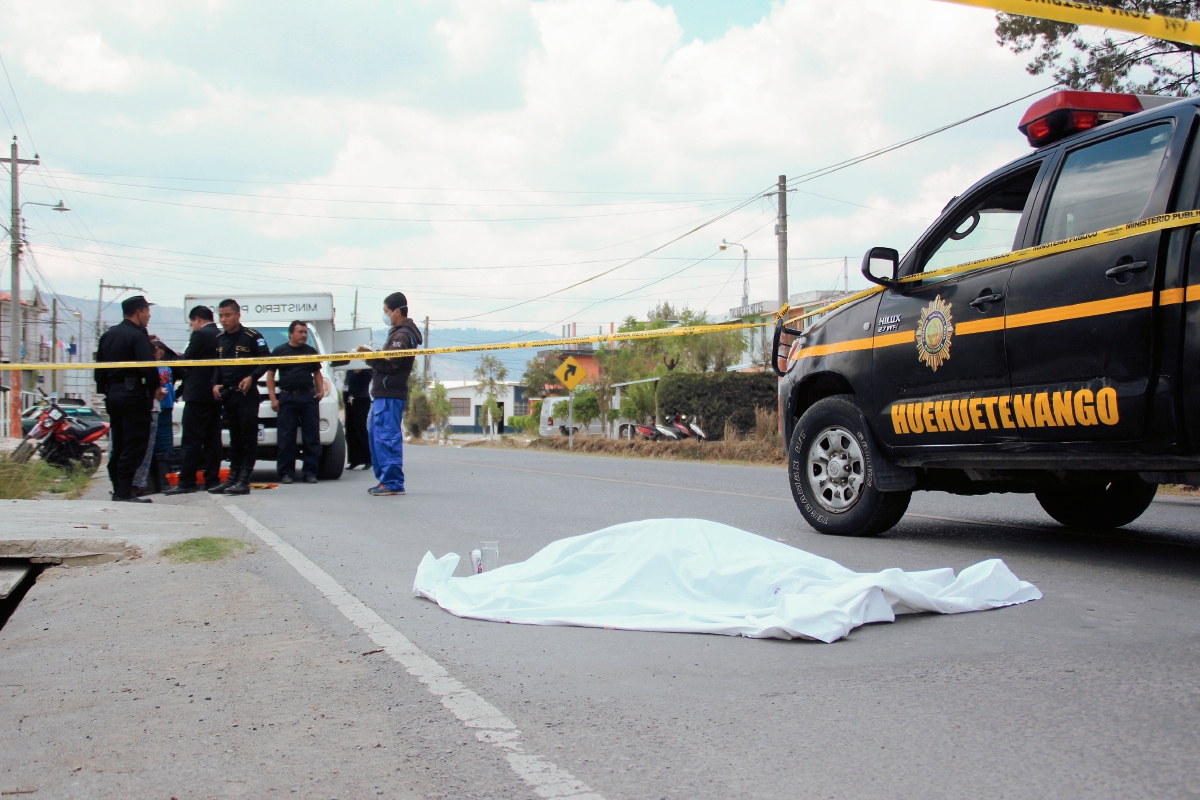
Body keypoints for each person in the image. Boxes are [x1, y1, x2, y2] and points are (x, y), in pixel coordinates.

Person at [94, 295, 163, 503]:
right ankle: (124, 492)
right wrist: (155, 388)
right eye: (147, 311)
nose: (149, 316)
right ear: (138, 312)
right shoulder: (138, 336)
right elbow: (148, 368)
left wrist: (107, 391)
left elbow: (99, 370)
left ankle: (118, 490)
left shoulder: (108, 335)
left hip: (114, 395)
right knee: (135, 445)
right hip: (134, 396)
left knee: (120, 444)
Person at [360, 292, 422, 497]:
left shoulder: (402, 335)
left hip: (390, 393)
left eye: (386, 311)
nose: (385, 315)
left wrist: (369, 358)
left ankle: (393, 481)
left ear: (397, 311)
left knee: (387, 437)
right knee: (376, 436)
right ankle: (384, 480)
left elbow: (392, 365)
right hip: (382, 393)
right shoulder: (397, 333)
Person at [208, 299, 271, 496]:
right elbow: (218, 365)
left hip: (246, 395)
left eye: (228, 315)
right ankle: (232, 478)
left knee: (247, 437)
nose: (224, 320)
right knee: (234, 439)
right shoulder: (220, 339)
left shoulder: (251, 337)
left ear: (238, 315)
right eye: (221, 316)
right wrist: (215, 383)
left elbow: (266, 360)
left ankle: (244, 479)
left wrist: (252, 378)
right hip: (229, 396)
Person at [164, 306, 223, 496]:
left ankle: (187, 481)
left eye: (192, 323)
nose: (192, 327)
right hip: (215, 394)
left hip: (197, 396)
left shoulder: (200, 335)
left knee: (191, 440)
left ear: (197, 319)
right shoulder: (220, 335)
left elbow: (186, 361)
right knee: (213, 440)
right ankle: (212, 479)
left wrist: (166, 354)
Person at [265, 320, 325, 484]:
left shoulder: (310, 351)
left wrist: (321, 391)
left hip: (308, 398)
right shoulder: (280, 351)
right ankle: (286, 473)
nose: (304, 335)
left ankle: (310, 473)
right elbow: (270, 375)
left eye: (305, 332)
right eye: (300, 332)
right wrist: (273, 398)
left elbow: (317, 373)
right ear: (291, 333)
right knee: (286, 438)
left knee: (312, 437)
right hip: (287, 397)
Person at [132, 342, 175, 495]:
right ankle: (154, 483)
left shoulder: (164, 368)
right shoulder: (155, 368)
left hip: (164, 406)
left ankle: (160, 483)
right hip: (158, 407)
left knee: (159, 447)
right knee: (156, 446)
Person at [344, 366, 373, 470]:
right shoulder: (351, 367)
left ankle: (368, 458)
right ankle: (354, 459)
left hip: (361, 399)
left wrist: (359, 371)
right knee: (350, 429)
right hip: (349, 397)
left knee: (360, 428)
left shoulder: (366, 368)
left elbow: (365, 379)